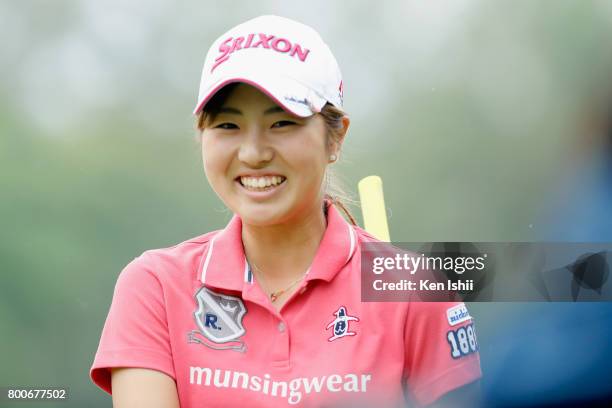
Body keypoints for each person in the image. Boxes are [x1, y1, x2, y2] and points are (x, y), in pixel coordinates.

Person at [90, 15, 482, 407]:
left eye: (281, 122)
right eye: (228, 125)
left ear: (336, 137)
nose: (253, 153)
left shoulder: (416, 290)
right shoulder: (155, 286)